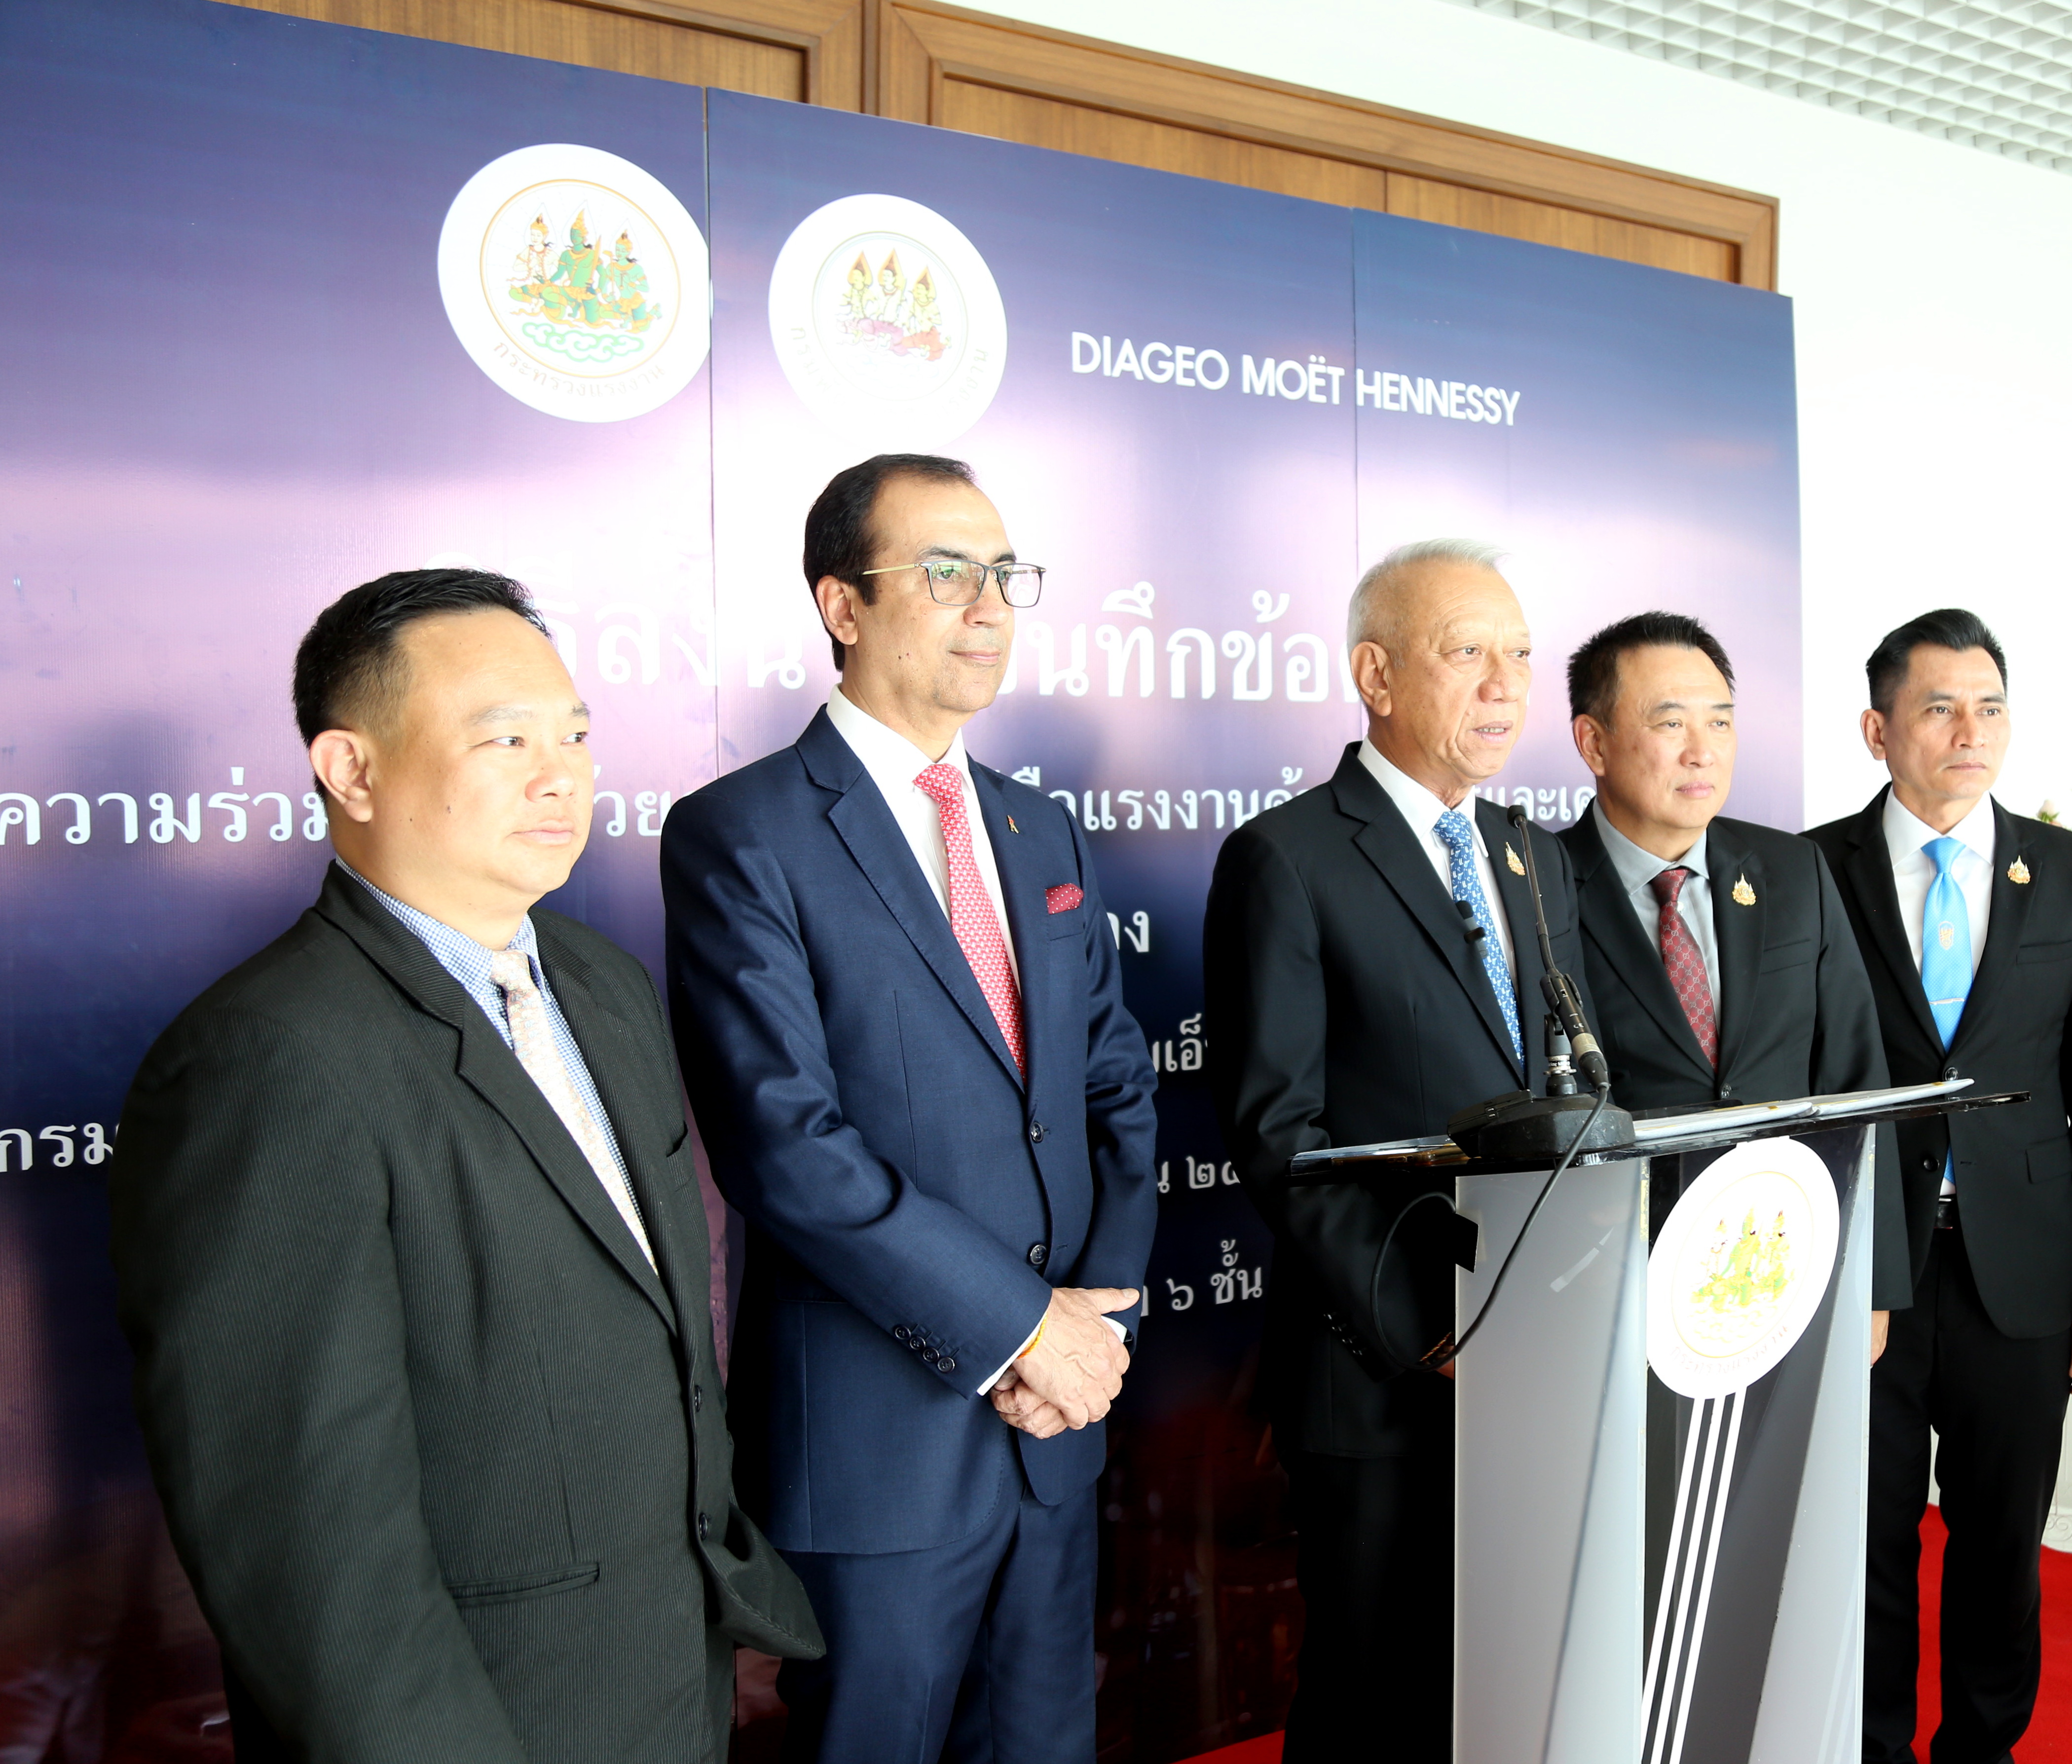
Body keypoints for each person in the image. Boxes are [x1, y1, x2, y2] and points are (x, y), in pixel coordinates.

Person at [110, 568, 821, 1764]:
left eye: (574, 736)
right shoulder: (264, 1061)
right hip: (487, 1712)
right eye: (505, 739)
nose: (561, 776)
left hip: (667, 1678)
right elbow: (308, 1542)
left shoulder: (602, 985)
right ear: (351, 770)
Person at [661, 454, 1157, 1764]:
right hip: (878, 1453)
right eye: (945, 573)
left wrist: (1094, 1328)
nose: (988, 606)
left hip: (1057, 1434)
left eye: (1004, 574)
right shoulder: (743, 834)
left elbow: (1113, 1089)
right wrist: (1022, 1332)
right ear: (842, 603)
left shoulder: (1041, 831)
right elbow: (786, 1146)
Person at [1203, 538, 1593, 1764]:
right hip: (1381, 1365)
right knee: (1374, 1696)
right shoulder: (1289, 857)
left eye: (1518, 654)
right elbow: (1280, 1137)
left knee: (1503, 1686)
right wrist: (1437, 1328)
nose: (1505, 684)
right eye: (1466, 651)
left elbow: (1570, 1091)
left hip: (1537, 1352)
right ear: (1375, 674)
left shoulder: (1532, 854)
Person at [1802, 609, 2072, 1764]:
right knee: (1866, 1537)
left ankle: (1983, 1750)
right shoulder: (1808, 872)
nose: (1971, 732)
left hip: (2024, 1267)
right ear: (1877, 730)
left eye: (1989, 707)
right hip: (1865, 1273)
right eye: (1940, 708)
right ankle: (1868, 1746)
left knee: (2002, 1542)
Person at [1559, 612, 1898, 1349]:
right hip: (1611, 1291)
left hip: (1787, 1269)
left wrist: (1873, 1282)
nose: (1702, 751)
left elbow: (1857, 1081)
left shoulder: (1793, 870)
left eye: (1719, 722)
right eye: (1670, 723)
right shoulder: (1540, 889)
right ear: (1593, 743)